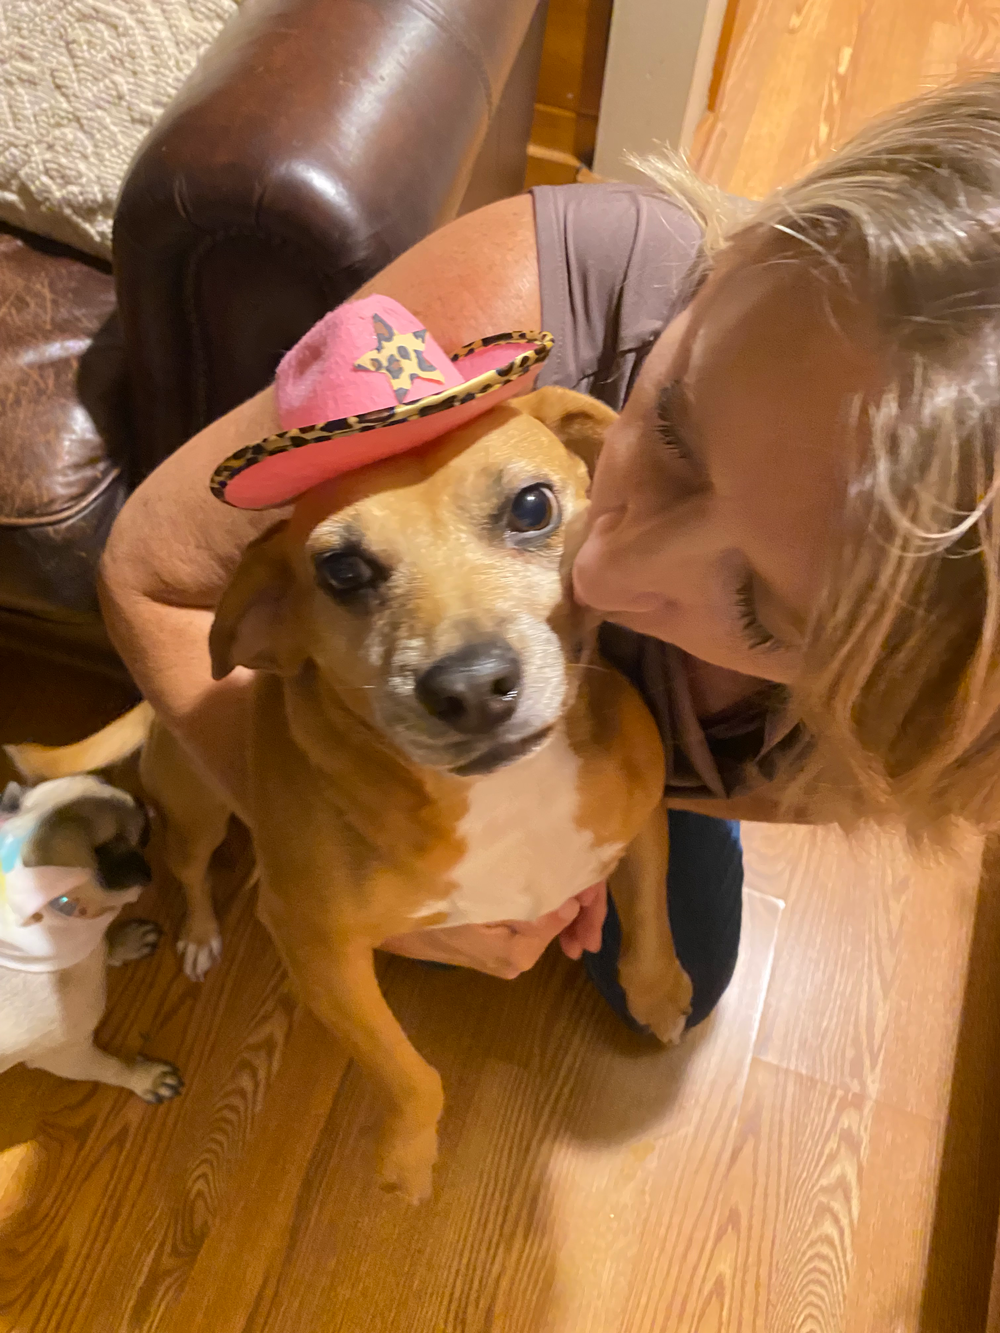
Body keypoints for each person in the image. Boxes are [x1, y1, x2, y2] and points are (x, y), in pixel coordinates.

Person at [98, 74, 1000, 1031]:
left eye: (759, 612)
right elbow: (148, 574)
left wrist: (580, 833)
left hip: (632, 770)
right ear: (744, 251)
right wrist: (349, 873)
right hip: (376, 765)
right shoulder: (547, 294)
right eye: (673, 433)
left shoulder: (939, 738)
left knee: (692, 984)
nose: (598, 579)